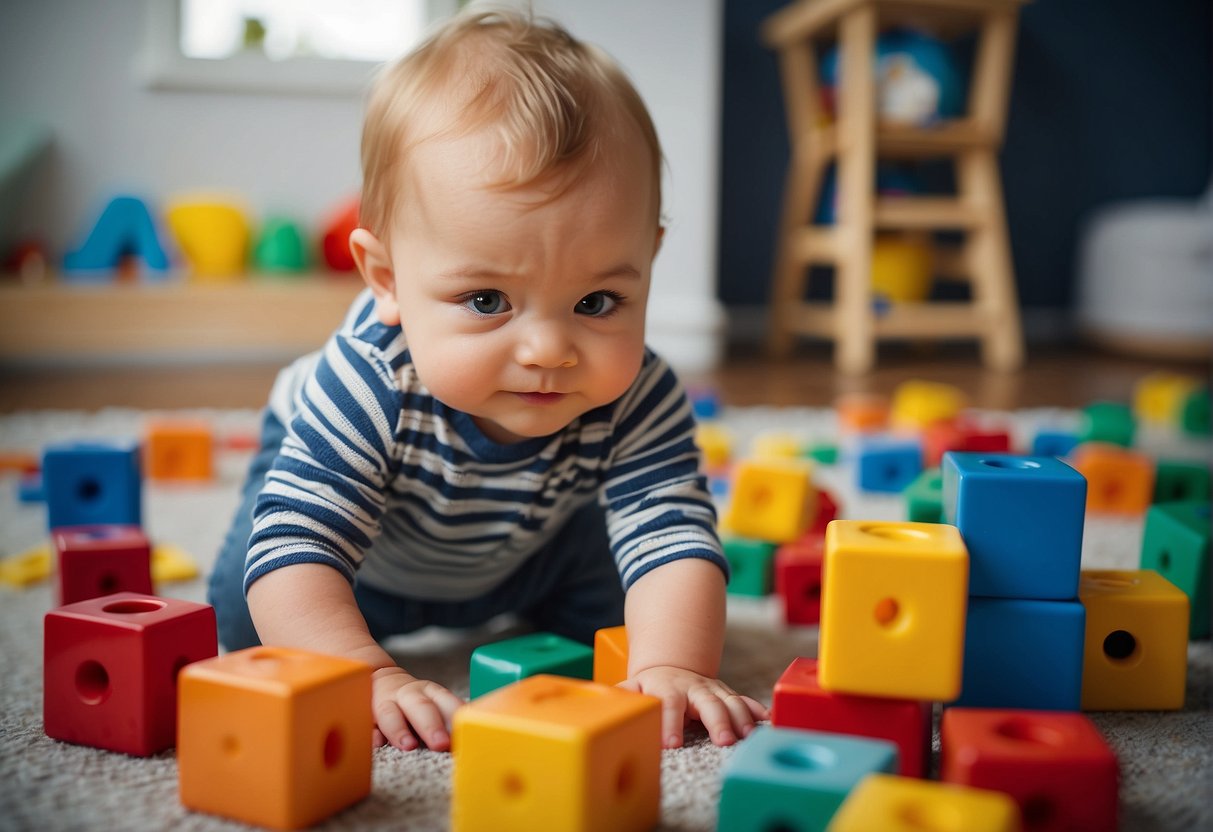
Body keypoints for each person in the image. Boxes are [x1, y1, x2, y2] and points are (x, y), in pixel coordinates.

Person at [208, 8, 767, 754]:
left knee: (631, 610)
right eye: (485, 301)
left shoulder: (637, 394)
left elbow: (671, 535)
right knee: (249, 622)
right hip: (362, 557)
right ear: (388, 280)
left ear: (647, 262)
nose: (547, 350)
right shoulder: (368, 381)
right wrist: (364, 673)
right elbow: (298, 541)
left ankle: (545, 613)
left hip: (527, 556)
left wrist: (671, 665)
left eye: (596, 302)